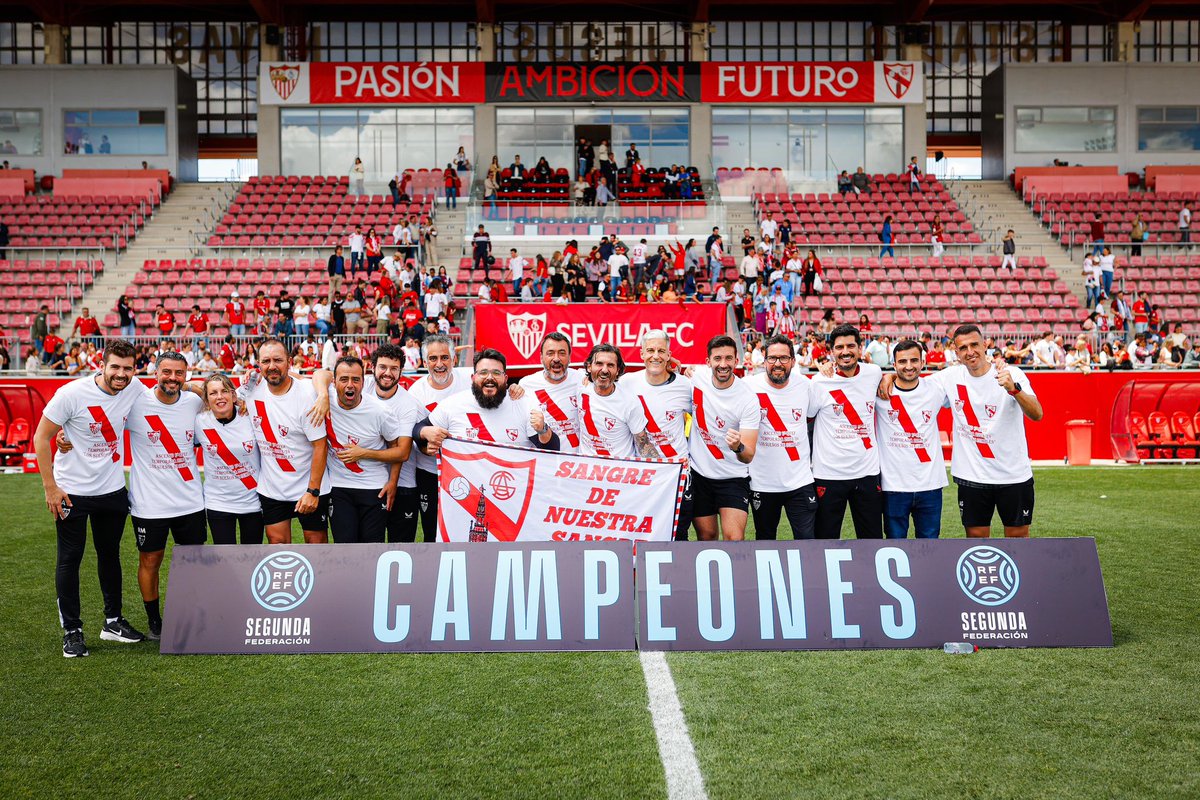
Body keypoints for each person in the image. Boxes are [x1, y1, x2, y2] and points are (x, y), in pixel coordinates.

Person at [34, 340, 149, 657]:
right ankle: (72, 631)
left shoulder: (134, 387)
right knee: (70, 560)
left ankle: (113, 621)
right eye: (115, 367)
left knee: (110, 555)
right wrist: (50, 487)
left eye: (127, 368)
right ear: (102, 363)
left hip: (112, 491)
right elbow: (41, 438)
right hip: (72, 493)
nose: (121, 374)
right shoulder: (71, 394)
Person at [117, 351, 206, 638]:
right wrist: (64, 437)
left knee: (194, 560)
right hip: (150, 504)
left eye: (179, 373)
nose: (172, 378)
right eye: (166, 372)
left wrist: (196, 387)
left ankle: (193, 612)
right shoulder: (135, 402)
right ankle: (155, 621)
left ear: (186, 374)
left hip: (190, 500)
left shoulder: (194, 403)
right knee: (150, 561)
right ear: (155, 373)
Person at [936, 324, 1042, 538]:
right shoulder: (949, 377)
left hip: (1013, 474)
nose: (970, 351)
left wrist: (1014, 389)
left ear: (986, 345)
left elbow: (1037, 414)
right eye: (963, 348)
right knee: (976, 540)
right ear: (956, 353)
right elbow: (913, 384)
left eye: (974, 344)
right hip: (972, 475)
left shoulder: (1011, 373)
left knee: (1018, 538)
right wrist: (890, 377)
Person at [244, 339, 332, 545]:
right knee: (278, 547)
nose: (272, 366)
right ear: (258, 364)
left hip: (308, 487)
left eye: (278, 360)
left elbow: (320, 446)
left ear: (289, 362)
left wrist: (313, 492)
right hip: (272, 489)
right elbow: (213, 391)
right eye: (266, 361)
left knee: (317, 546)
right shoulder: (250, 388)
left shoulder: (307, 394)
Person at [417, 349, 558, 475]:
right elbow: (417, 431)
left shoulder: (523, 404)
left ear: (506, 379)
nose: (489, 377)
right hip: (466, 496)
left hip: (513, 495)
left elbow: (553, 450)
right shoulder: (452, 404)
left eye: (496, 373)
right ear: (473, 378)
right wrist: (424, 432)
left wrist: (543, 430)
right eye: (483, 372)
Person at [746, 335, 828, 539]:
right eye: (772, 358)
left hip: (799, 481)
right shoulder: (747, 386)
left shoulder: (806, 386)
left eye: (783, 358)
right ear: (764, 360)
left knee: (807, 542)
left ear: (793, 360)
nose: (778, 364)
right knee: (765, 542)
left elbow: (810, 416)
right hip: (761, 482)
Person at [811, 324, 884, 539]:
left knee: (872, 540)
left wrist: (887, 378)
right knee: (825, 540)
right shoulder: (819, 382)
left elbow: (887, 379)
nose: (845, 351)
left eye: (851, 345)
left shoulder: (874, 373)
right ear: (831, 351)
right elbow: (806, 420)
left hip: (867, 472)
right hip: (829, 474)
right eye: (839, 347)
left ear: (860, 348)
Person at [324, 355, 406, 544]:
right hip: (339, 488)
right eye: (344, 379)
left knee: (372, 550)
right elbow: (298, 377)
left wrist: (392, 482)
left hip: (374, 488)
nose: (350, 385)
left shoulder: (380, 411)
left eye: (356, 379)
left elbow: (398, 450)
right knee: (345, 547)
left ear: (364, 381)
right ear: (334, 381)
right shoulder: (325, 400)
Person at [623, 330, 694, 540]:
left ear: (669, 355)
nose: (656, 356)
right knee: (644, 535)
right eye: (651, 350)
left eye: (661, 351)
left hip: (678, 473)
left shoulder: (686, 385)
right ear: (641, 354)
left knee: (679, 535)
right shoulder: (626, 382)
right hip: (644, 475)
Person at [687, 335, 760, 541]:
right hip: (700, 475)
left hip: (733, 478)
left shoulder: (747, 398)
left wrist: (737, 446)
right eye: (717, 358)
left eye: (729, 358)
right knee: (706, 536)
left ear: (736, 360)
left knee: (734, 539)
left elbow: (748, 455)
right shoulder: (697, 379)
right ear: (708, 361)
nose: (723, 364)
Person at [874, 340, 947, 539]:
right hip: (894, 486)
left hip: (930, 485)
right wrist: (886, 377)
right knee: (896, 547)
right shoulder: (879, 391)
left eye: (914, 360)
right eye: (902, 361)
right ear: (894, 364)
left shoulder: (937, 389)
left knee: (930, 547)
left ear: (922, 362)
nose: (908, 366)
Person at [405, 335, 473, 540]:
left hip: (466, 471)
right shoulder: (416, 391)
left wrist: (515, 389)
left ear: (454, 359)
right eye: (433, 358)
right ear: (425, 362)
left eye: (445, 357)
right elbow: (413, 435)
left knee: (467, 530)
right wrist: (428, 446)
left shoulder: (470, 380)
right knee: (431, 533)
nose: (439, 364)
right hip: (429, 472)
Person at [361, 344, 421, 542]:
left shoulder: (408, 403)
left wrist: (361, 452)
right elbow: (323, 377)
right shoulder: (363, 386)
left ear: (401, 372)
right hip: (369, 483)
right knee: (368, 547)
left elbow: (403, 453)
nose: (388, 373)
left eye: (394, 369)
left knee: (402, 549)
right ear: (372, 368)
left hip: (403, 485)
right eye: (383, 367)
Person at [577, 344, 658, 459]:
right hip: (587, 473)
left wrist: (665, 471)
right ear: (589, 367)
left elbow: (643, 444)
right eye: (599, 364)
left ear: (617, 370)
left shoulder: (630, 401)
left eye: (610, 365)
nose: (604, 370)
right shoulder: (579, 384)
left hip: (620, 473)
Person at [519, 332, 584, 453]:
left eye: (562, 353)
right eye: (550, 353)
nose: (556, 358)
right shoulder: (526, 384)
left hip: (578, 464)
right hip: (546, 464)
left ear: (570, 357)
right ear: (541, 357)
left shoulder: (582, 379)